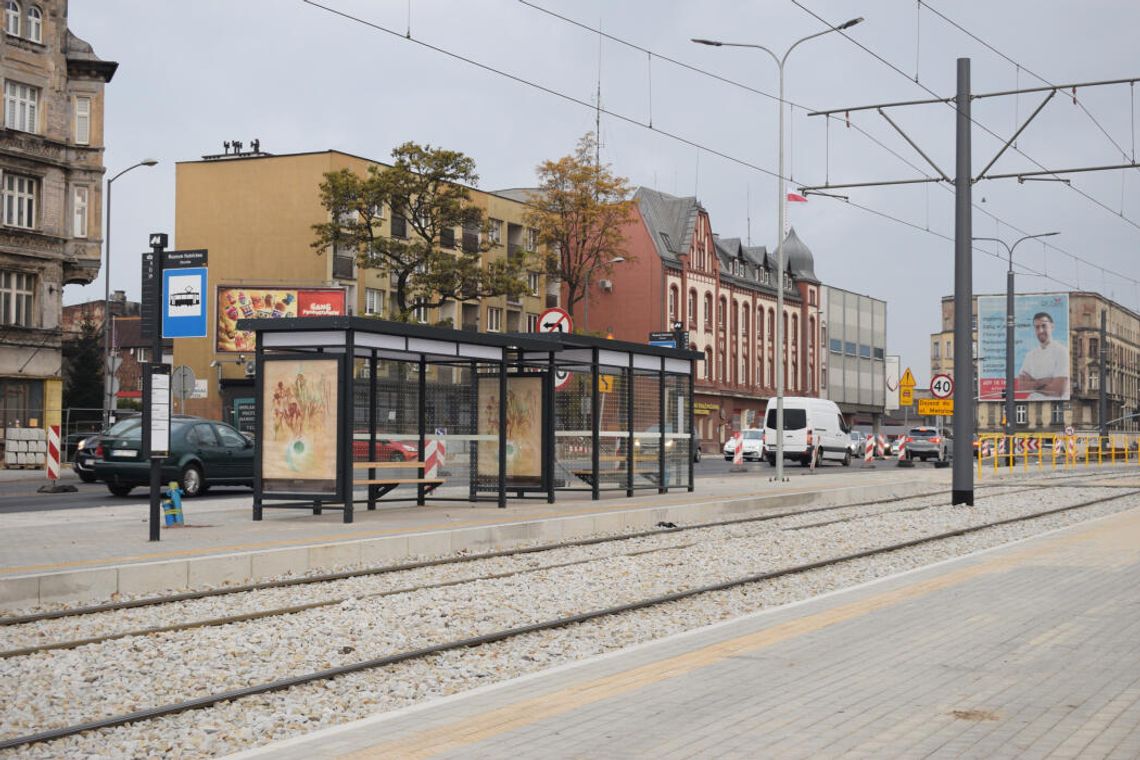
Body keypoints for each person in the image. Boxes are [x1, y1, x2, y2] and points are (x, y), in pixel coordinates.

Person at [1016, 311, 1069, 399]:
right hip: (1031, 403)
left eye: (1044, 326)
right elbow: (1021, 386)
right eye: (1037, 327)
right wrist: (1045, 382)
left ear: (1052, 326)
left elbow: (1057, 390)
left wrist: (1032, 382)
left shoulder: (1061, 351)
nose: (1040, 330)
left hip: (1054, 403)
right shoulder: (1030, 355)